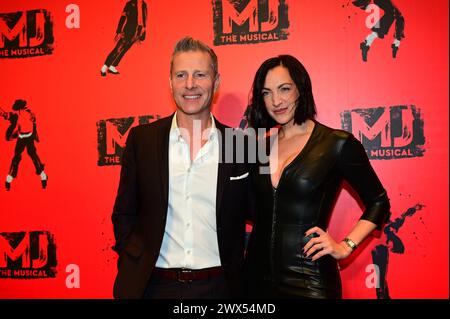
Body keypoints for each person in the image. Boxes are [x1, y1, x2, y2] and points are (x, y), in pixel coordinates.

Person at [111, 36, 251, 299]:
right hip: (154, 287)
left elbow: (262, 213)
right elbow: (124, 213)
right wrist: (135, 258)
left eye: (200, 74)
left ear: (216, 82)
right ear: (170, 82)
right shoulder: (142, 140)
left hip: (221, 288)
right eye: (181, 75)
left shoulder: (240, 144)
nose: (190, 85)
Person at [243, 55, 391, 299]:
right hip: (255, 280)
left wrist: (346, 246)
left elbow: (379, 201)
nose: (276, 101)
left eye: (285, 89)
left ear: (301, 89)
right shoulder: (258, 148)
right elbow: (251, 209)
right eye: (267, 93)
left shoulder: (336, 144)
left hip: (309, 280)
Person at [1, 99, 48, 191]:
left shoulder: (28, 113)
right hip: (21, 138)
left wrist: (6, 115)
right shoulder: (19, 114)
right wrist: (5, 114)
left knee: (34, 157)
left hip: (29, 138)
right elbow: (8, 115)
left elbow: (32, 124)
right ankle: (9, 180)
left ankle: (43, 177)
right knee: (17, 158)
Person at [100, 0, 147, 76]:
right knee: (118, 49)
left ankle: (113, 66)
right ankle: (104, 68)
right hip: (128, 31)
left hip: (137, 32)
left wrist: (143, 32)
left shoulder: (144, 4)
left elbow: (145, 19)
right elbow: (123, 17)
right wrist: (119, 31)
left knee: (125, 50)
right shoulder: (130, 4)